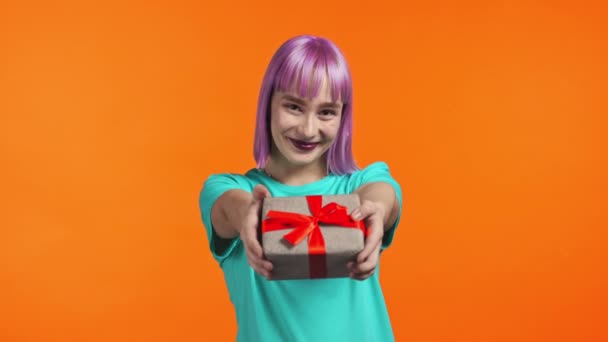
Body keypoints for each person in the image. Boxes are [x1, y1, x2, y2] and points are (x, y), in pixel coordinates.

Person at [199, 35, 403, 341]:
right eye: (294, 107)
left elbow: (382, 194)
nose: (309, 129)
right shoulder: (228, 189)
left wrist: (375, 210)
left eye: (326, 112)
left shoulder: (359, 184)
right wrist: (250, 216)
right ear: (267, 104)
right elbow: (231, 207)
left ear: (343, 116)